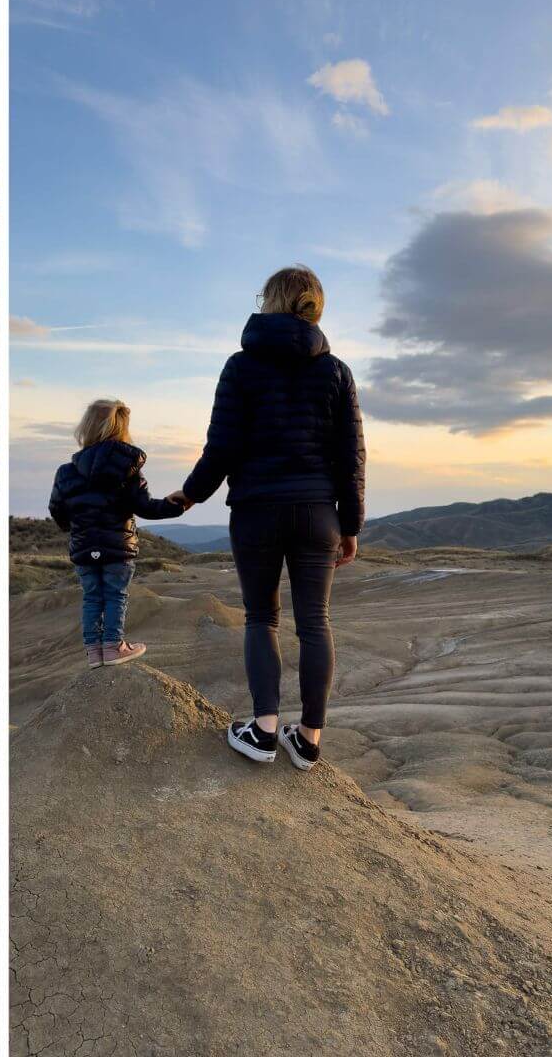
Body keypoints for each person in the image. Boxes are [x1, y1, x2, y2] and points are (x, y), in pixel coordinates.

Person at [170, 266, 365, 770]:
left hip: (256, 511)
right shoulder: (337, 371)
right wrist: (351, 525)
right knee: (316, 622)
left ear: (269, 302)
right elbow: (351, 456)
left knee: (262, 618)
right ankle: (308, 741)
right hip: (319, 513)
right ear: (315, 308)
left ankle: (262, 731)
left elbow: (222, 447)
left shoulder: (240, 366)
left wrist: (190, 496)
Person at [49, 398, 188, 668]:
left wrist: (74, 529)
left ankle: (94, 652)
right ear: (122, 428)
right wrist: (178, 505)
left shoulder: (66, 472)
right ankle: (114, 647)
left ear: (86, 427)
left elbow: (57, 509)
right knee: (115, 595)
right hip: (117, 548)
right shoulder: (128, 469)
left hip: (84, 547)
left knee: (91, 597)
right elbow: (145, 507)